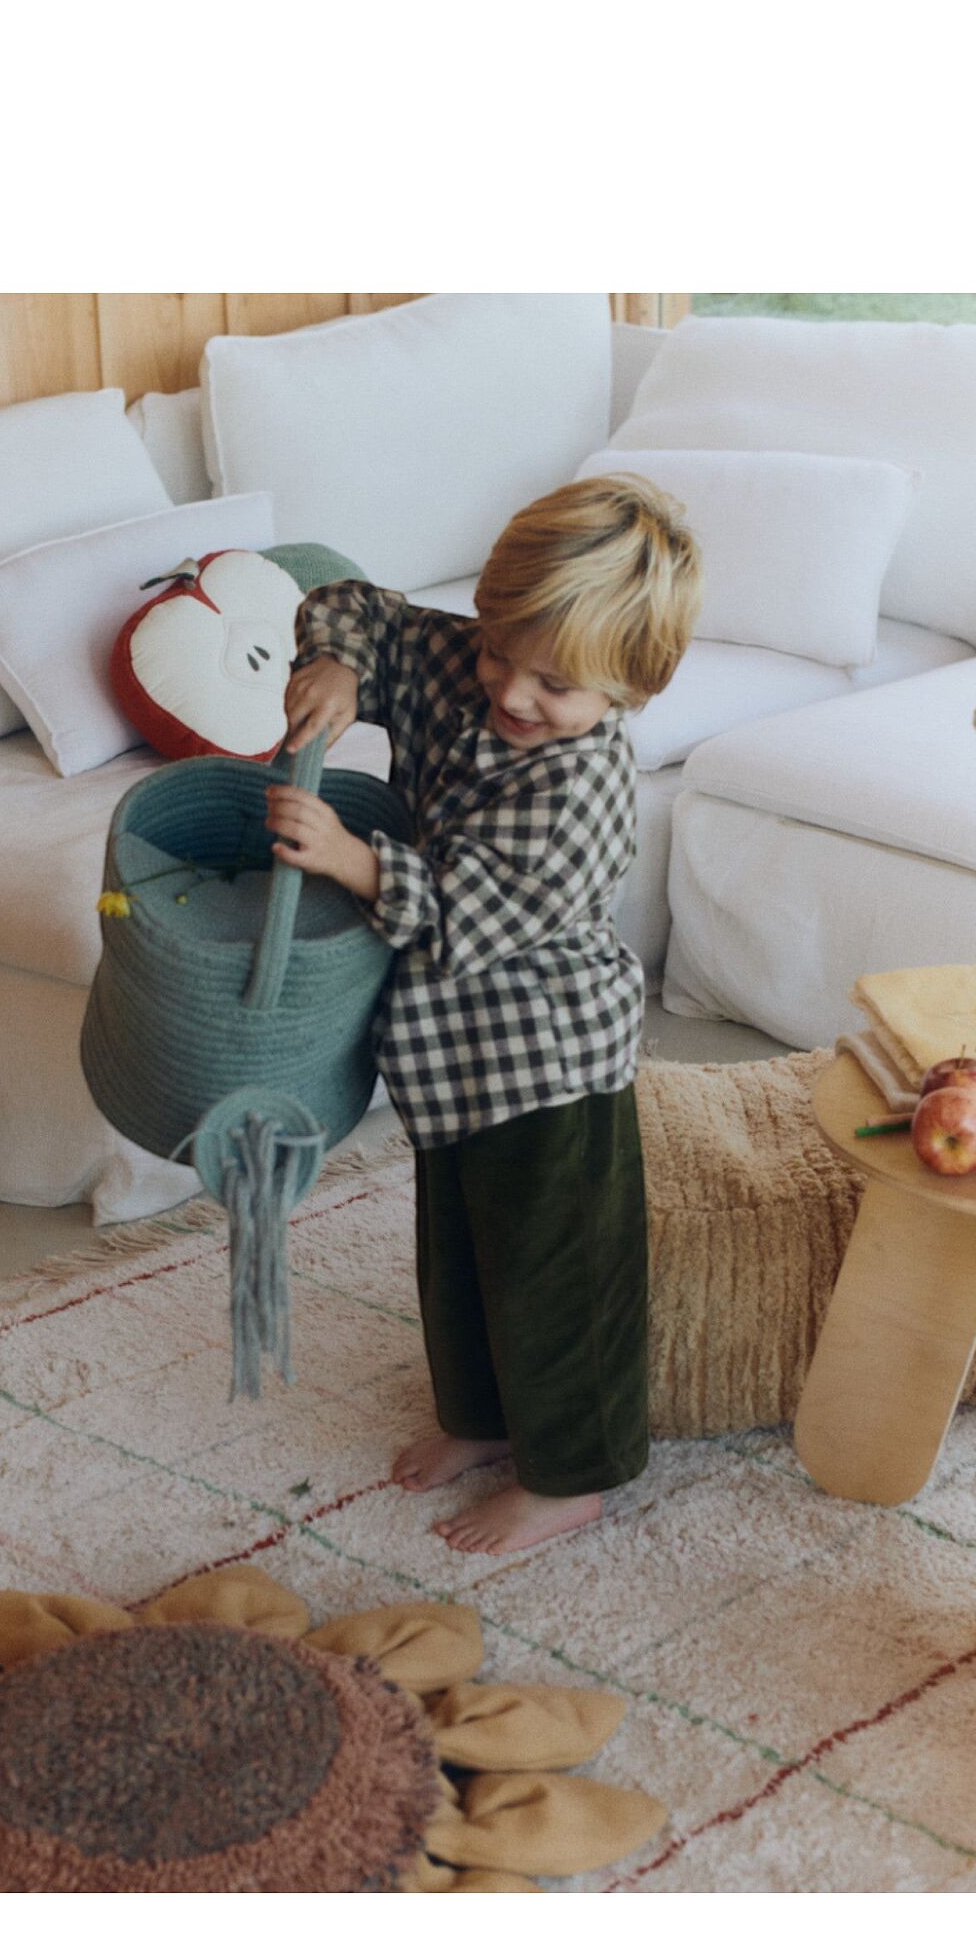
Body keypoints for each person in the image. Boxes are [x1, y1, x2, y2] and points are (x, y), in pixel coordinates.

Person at [267, 474, 702, 1555]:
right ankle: (479, 1414)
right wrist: (336, 662)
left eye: (552, 683)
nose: (509, 691)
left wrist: (352, 859)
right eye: (498, 650)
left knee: (558, 1272)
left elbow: (477, 907)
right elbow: (356, 602)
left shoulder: (582, 787)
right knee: (456, 1253)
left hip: (547, 1060)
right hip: (446, 1056)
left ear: (629, 688)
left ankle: (573, 1471)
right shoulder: (461, 664)